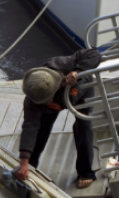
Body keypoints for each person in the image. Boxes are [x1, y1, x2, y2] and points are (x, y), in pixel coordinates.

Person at [15, 48, 103, 189]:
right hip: (56, 101)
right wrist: (23, 163)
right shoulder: (33, 96)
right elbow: (29, 128)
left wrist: (77, 72)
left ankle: (86, 172)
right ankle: (30, 167)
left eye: (46, 100)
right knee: (40, 130)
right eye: (42, 102)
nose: (46, 103)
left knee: (84, 127)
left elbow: (94, 54)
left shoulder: (62, 64)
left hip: (80, 90)